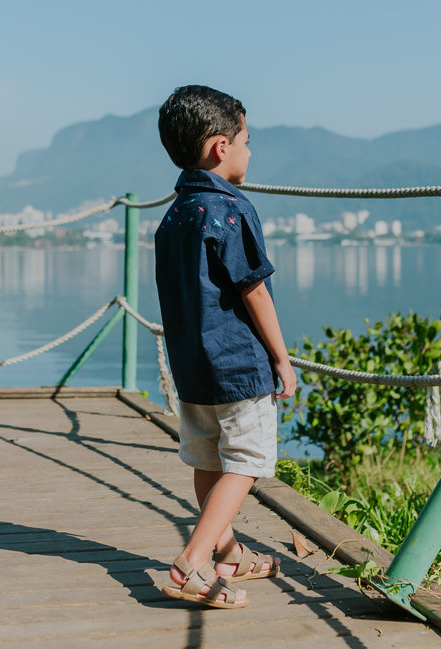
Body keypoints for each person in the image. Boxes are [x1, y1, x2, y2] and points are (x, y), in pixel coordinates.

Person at [154, 85, 297, 609]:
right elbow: (253, 288)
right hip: (237, 365)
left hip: (192, 368)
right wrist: (281, 358)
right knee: (247, 462)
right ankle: (192, 563)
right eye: (246, 141)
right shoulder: (229, 210)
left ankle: (230, 553)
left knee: (208, 460)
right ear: (221, 148)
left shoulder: (173, 216)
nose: (250, 152)